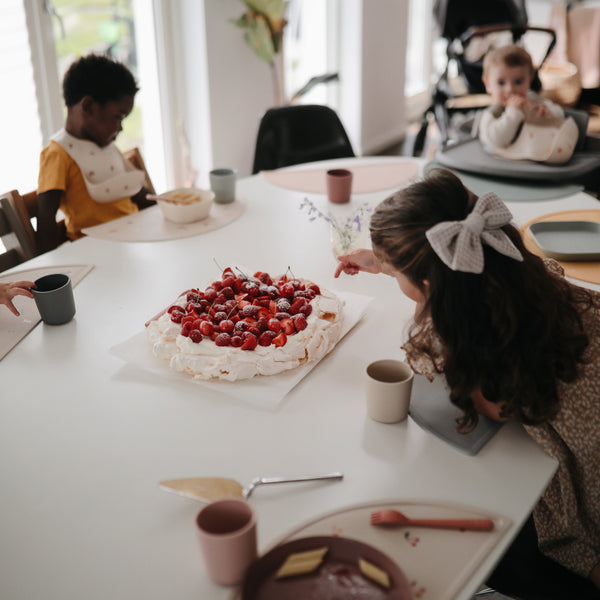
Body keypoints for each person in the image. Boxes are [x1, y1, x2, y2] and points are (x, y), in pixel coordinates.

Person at [335, 168, 600, 598]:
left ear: (430, 283)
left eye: (399, 273)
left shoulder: (489, 353)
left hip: (591, 508)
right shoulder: (525, 282)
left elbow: (490, 408)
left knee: (480, 537)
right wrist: (386, 263)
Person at [37, 54, 155, 252]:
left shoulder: (106, 145)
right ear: (88, 106)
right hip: (94, 249)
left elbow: (138, 193)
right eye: (118, 117)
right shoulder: (57, 153)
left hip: (133, 238)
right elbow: (45, 220)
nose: (121, 128)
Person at [478, 44, 578, 163]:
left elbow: (560, 116)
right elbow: (497, 141)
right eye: (501, 83)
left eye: (518, 82)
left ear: (529, 80)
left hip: (541, 158)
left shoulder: (534, 101)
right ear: (488, 84)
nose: (510, 89)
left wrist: (547, 112)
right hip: (506, 163)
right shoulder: (493, 113)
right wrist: (513, 113)